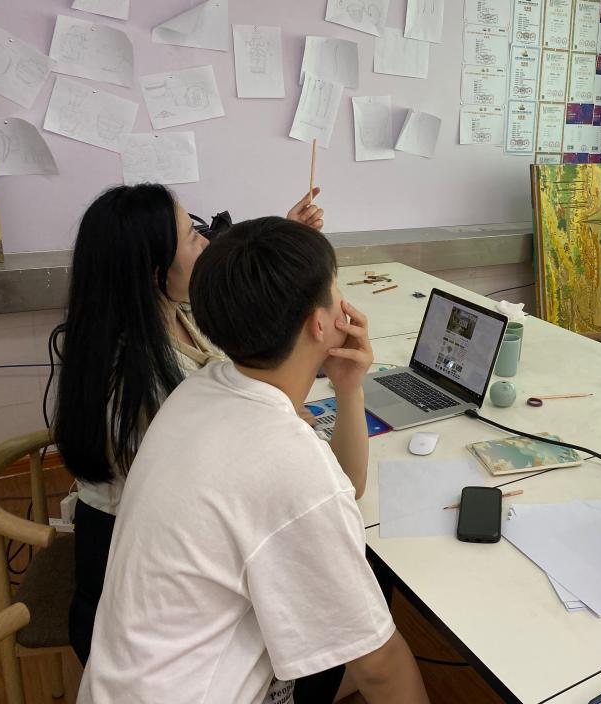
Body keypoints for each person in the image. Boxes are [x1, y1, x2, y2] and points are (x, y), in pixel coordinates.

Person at [78, 218, 428, 704]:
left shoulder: (200, 389)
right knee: (385, 646)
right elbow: (381, 669)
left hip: (120, 686)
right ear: (319, 323)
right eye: (335, 290)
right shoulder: (286, 459)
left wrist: (349, 388)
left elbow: (342, 486)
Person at [52, 184, 324, 667]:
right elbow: (219, 478)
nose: (206, 242)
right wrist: (278, 418)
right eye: (193, 236)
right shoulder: (134, 380)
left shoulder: (167, 314)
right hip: (145, 585)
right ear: (154, 272)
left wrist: (281, 240)